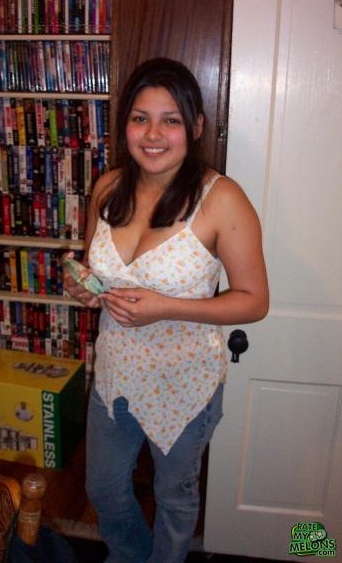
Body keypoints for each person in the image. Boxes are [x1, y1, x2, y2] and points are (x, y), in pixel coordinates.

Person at [63, 58, 269, 563]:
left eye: (170, 120)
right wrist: (86, 288)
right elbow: (98, 271)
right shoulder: (108, 187)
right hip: (116, 374)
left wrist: (167, 308)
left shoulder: (222, 199)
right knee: (104, 489)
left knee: (175, 497)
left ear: (195, 127)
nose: (153, 134)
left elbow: (254, 300)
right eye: (140, 118)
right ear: (125, 125)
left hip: (185, 381)